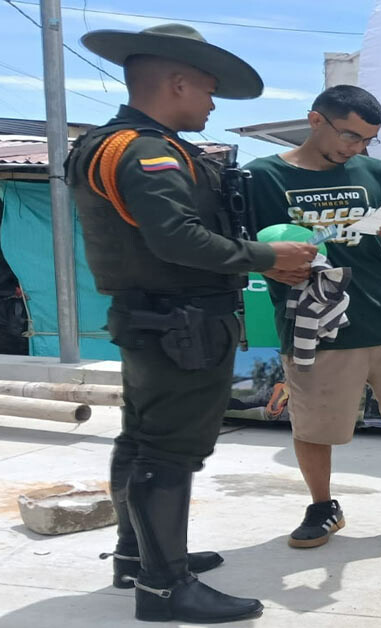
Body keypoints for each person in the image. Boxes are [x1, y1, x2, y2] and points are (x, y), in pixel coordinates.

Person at [66, 24, 316, 623]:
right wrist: (268, 257)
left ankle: (138, 557)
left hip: (154, 319)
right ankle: (164, 587)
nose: (212, 104)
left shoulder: (110, 143)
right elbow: (176, 238)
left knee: (141, 439)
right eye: (207, 90)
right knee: (169, 452)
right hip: (181, 323)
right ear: (177, 82)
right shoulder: (146, 150)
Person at [246, 85, 381, 550]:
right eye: (349, 135)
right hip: (314, 327)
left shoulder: (378, 173)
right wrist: (269, 266)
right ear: (315, 120)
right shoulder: (261, 176)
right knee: (314, 427)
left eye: (366, 139)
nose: (356, 147)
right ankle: (323, 506)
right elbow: (241, 248)